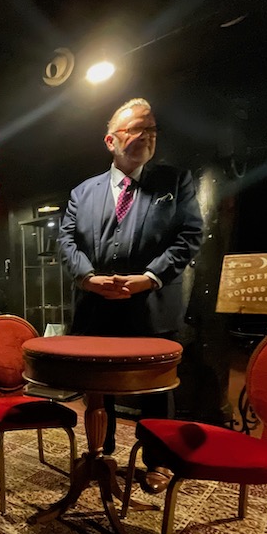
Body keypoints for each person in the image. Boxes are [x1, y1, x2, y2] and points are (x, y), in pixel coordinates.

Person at [57, 97, 202, 491]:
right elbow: (66, 242)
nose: (144, 136)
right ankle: (98, 452)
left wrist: (150, 278)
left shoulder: (175, 182)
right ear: (110, 140)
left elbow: (190, 237)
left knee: (156, 389)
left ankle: (158, 461)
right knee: (97, 387)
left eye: (151, 130)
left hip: (152, 305)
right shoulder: (81, 192)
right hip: (94, 307)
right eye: (134, 129)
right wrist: (87, 278)